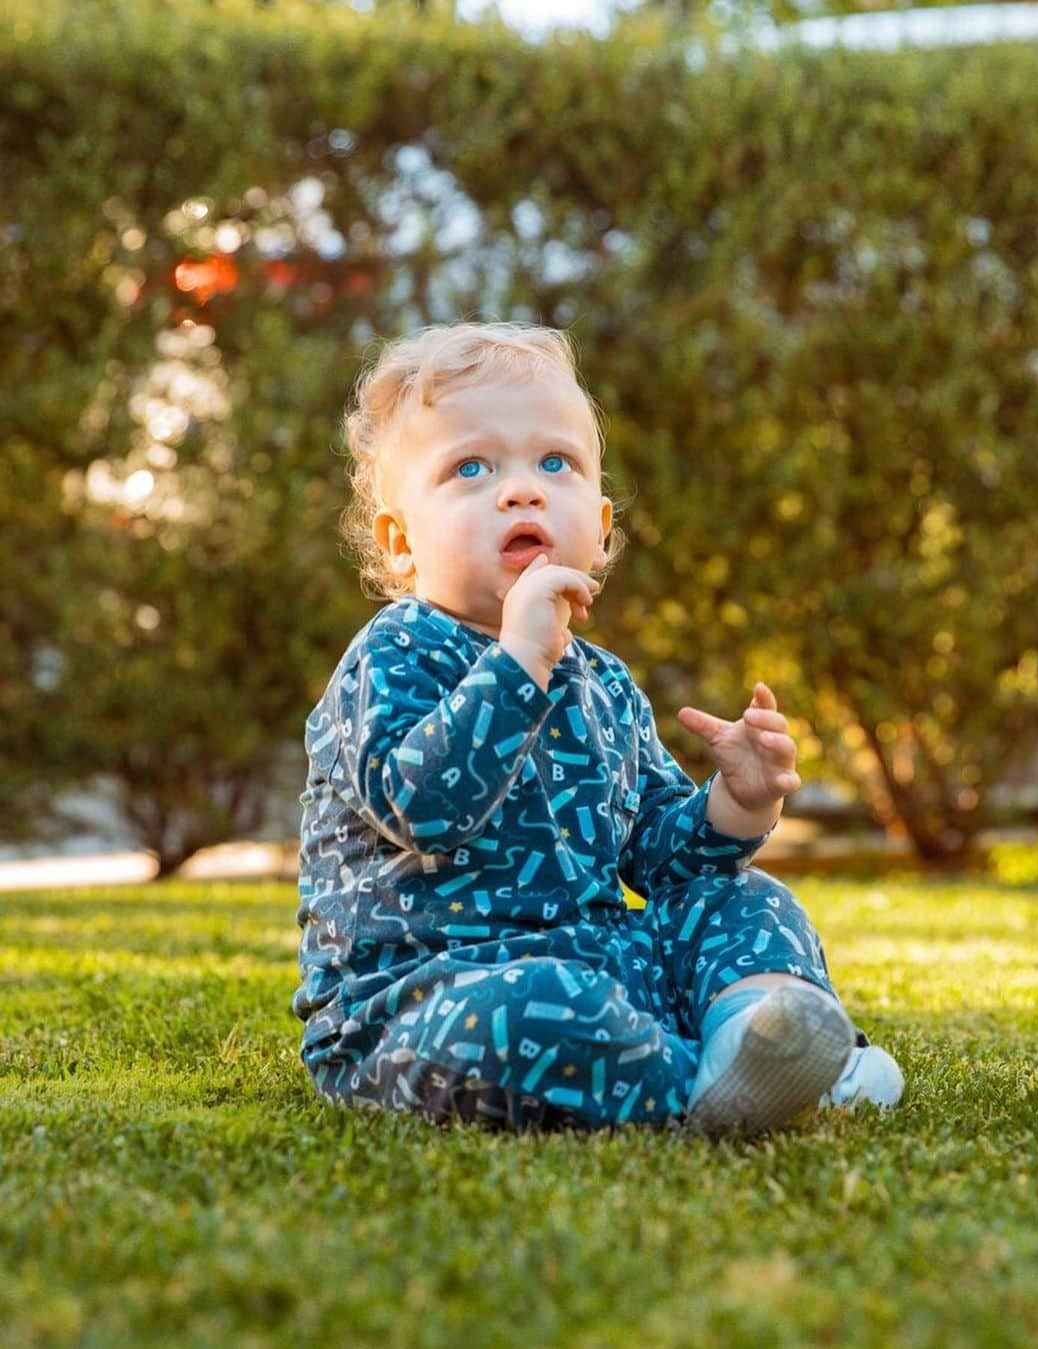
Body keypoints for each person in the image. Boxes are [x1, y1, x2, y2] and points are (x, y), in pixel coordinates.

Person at [291, 320, 904, 1137]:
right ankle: (719, 1086)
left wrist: (736, 806)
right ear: (403, 544)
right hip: (424, 995)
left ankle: (755, 1033)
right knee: (537, 1007)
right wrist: (515, 664)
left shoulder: (603, 679)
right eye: (470, 468)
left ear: (601, 522)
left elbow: (656, 856)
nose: (522, 489)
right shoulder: (393, 654)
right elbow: (423, 807)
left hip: (602, 965)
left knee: (741, 898)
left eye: (556, 463)